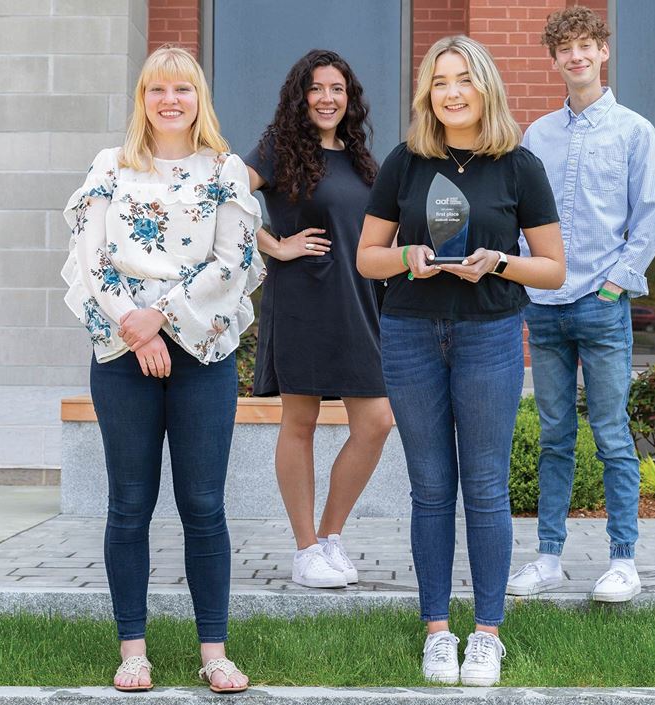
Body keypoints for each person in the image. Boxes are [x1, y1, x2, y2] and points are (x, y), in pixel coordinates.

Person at [357, 36, 564, 687]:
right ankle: (438, 633)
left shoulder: (520, 166)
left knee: (485, 485)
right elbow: (367, 256)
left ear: (485, 88)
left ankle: (488, 634)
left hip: (491, 334)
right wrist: (408, 257)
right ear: (427, 93)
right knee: (429, 488)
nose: (451, 91)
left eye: (463, 79)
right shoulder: (406, 162)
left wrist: (498, 260)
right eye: (440, 80)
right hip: (411, 332)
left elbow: (554, 269)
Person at [61, 45, 264, 693]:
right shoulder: (110, 167)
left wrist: (164, 318)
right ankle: (133, 651)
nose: (169, 100)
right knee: (129, 504)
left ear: (199, 98)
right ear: (142, 99)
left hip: (202, 352)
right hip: (124, 353)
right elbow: (92, 260)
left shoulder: (226, 169)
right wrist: (134, 323)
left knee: (203, 504)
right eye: (157, 89)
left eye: (182, 89)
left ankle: (214, 652)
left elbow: (234, 260)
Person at [506, 6, 655, 603]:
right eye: (564, 49)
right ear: (554, 60)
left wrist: (615, 286)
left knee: (612, 435)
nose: (575, 57)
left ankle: (623, 560)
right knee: (553, 436)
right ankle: (548, 557)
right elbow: (523, 220)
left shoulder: (634, 130)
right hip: (543, 307)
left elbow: (645, 221)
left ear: (602, 51)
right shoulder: (536, 135)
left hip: (602, 305)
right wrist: (525, 278)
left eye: (585, 46)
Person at [244, 50, 393, 589]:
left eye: (338, 89)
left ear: (349, 98)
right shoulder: (277, 150)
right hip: (304, 300)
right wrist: (275, 247)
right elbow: (222, 199)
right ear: (299, 96)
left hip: (358, 302)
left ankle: (330, 536)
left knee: (376, 421)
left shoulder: (361, 161)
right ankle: (305, 548)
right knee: (300, 423)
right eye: (317, 88)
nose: (327, 97)